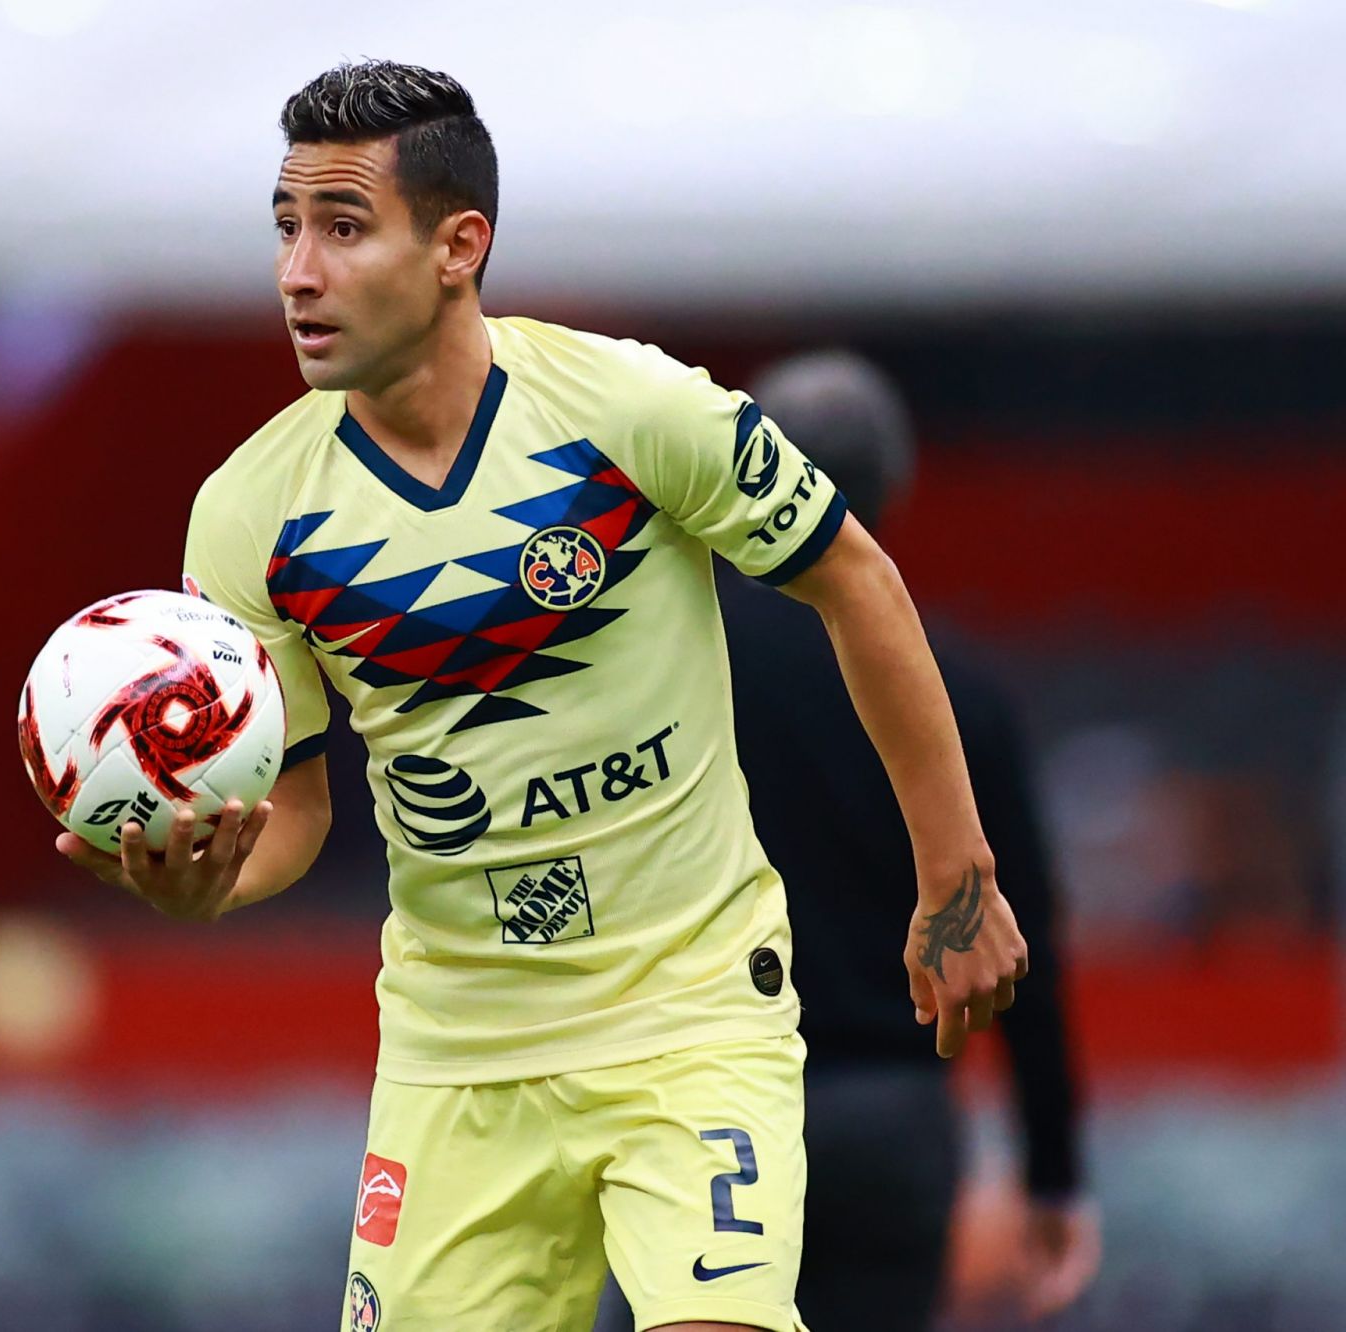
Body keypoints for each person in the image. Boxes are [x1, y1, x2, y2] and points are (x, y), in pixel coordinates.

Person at [56, 61, 1028, 1332]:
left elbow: (856, 580)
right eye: (285, 228)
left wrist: (955, 878)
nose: (296, 272)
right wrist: (211, 884)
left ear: (457, 247)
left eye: (342, 228)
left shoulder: (628, 408)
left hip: (687, 1013)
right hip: (457, 1056)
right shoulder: (248, 514)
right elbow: (294, 811)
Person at [719, 352, 1099, 1329]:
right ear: (895, 489)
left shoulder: (681, 670)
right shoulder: (959, 689)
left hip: (713, 1104)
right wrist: (1051, 1173)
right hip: (891, 1119)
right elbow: (1023, 944)